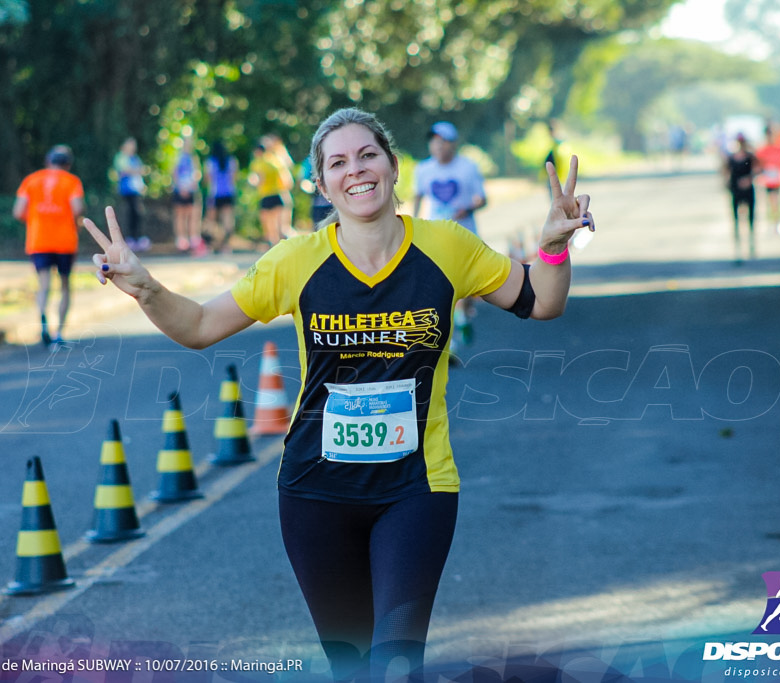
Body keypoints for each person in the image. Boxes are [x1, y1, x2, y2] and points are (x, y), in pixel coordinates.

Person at [83, 107, 594, 682]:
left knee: (397, 662)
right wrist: (147, 289)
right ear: (322, 184)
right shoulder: (296, 260)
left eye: (368, 154)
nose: (356, 170)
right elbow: (199, 326)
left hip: (416, 490)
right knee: (351, 668)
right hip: (314, 495)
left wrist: (552, 247)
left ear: (395, 166)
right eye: (338, 162)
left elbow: (541, 301)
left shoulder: (448, 247)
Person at [412, 121, 488, 353]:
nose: (437, 146)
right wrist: (412, 224)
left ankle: (463, 318)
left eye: (443, 141)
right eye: (434, 141)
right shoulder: (423, 169)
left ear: (453, 144)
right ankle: (450, 335)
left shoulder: (467, 167)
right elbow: (417, 197)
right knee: (444, 284)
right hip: (437, 235)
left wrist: (467, 209)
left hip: (464, 233)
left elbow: (482, 198)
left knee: (464, 283)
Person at [13, 145, 85, 347]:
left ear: (48, 161)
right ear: (68, 164)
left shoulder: (31, 180)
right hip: (65, 241)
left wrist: (36, 219)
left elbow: (18, 211)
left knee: (44, 284)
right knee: (64, 285)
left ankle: (43, 321)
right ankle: (59, 332)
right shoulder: (72, 182)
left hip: (39, 240)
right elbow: (77, 208)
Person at [723, 133, 760, 262]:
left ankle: (751, 245)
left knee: (750, 218)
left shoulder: (750, 157)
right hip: (736, 191)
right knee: (736, 220)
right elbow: (726, 172)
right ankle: (738, 248)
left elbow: (757, 169)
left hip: (748, 190)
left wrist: (749, 179)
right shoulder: (731, 158)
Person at [113, 137, 149, 252]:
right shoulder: (121, 157)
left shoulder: (135, 158)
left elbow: (139, 173)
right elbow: (125, 170)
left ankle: (139, 238)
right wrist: (136, 170)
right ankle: (130, 238)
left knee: (138, 214)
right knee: (129, 214)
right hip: (126, 191)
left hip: (136, 191)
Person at [756, 123, 780, 235]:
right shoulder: (762, 150)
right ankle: (772, 223)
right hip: (768, 181)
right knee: (771, 202)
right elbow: (758, 166)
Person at [203, 140, 239, 253]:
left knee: (211, 220)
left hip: (215, 193)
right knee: (227, 220)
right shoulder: (231, 161)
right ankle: (226, 245)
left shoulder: (210, 162)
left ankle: (211, 244)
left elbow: (207, 179)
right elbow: (234, 178)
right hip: (229, 193)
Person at [172, 136, 205, 256]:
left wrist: (192, 184)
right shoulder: (178, 157)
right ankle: (181, 239)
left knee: (193, 215)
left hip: (191, 190)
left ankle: (193, 239)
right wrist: (181, 187)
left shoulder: (193, 158)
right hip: (180, 190)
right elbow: (174, 173)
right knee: (180, 215)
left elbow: (197, 173)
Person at [249, 143, 287, 246]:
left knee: (268, 226)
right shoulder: (275, 160)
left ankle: (272, 244)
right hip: (277, 194)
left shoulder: (258, 163)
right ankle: (281, 245)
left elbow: (259, 179)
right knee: (278, 224)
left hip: (265, 195)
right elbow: (283, 178)